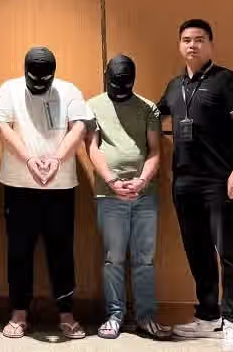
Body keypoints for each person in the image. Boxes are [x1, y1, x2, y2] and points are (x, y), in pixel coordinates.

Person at [158, 19, 233, 351]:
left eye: (199, 39)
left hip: (220, 181)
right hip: (184, 183)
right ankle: (209, 316)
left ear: (210, 44)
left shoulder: (226, 80)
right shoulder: (174, 86)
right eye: (186, 40)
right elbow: (154, 117)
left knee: (230, 253)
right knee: (197, 251)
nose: (192, 45)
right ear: (179, 45)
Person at [0, 47, 89, 340]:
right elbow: (1, 128)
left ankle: (67, 314)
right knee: (18, 251)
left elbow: (79, 127)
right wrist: (29, 160)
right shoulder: (9, 89)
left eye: (44, 79)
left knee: (62, 250)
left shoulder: (69, 90)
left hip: (60, 186)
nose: (38, 84)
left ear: (53, 74)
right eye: (33, 78)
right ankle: (18, 314)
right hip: (18, 185)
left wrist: (57, 159)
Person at [86, 54, 171, 340]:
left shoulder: (148, 107)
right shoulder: (93, 106)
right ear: (106, 77)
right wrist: (112, 181)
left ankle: (146, 317)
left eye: (125, 84)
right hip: (108, 194)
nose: (120, 89)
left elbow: (155, 150)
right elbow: (92, 148)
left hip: (145, 194)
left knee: (145, 259)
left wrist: (142, 181)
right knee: (113, 258)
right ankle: (115, 315)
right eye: (115, 83)